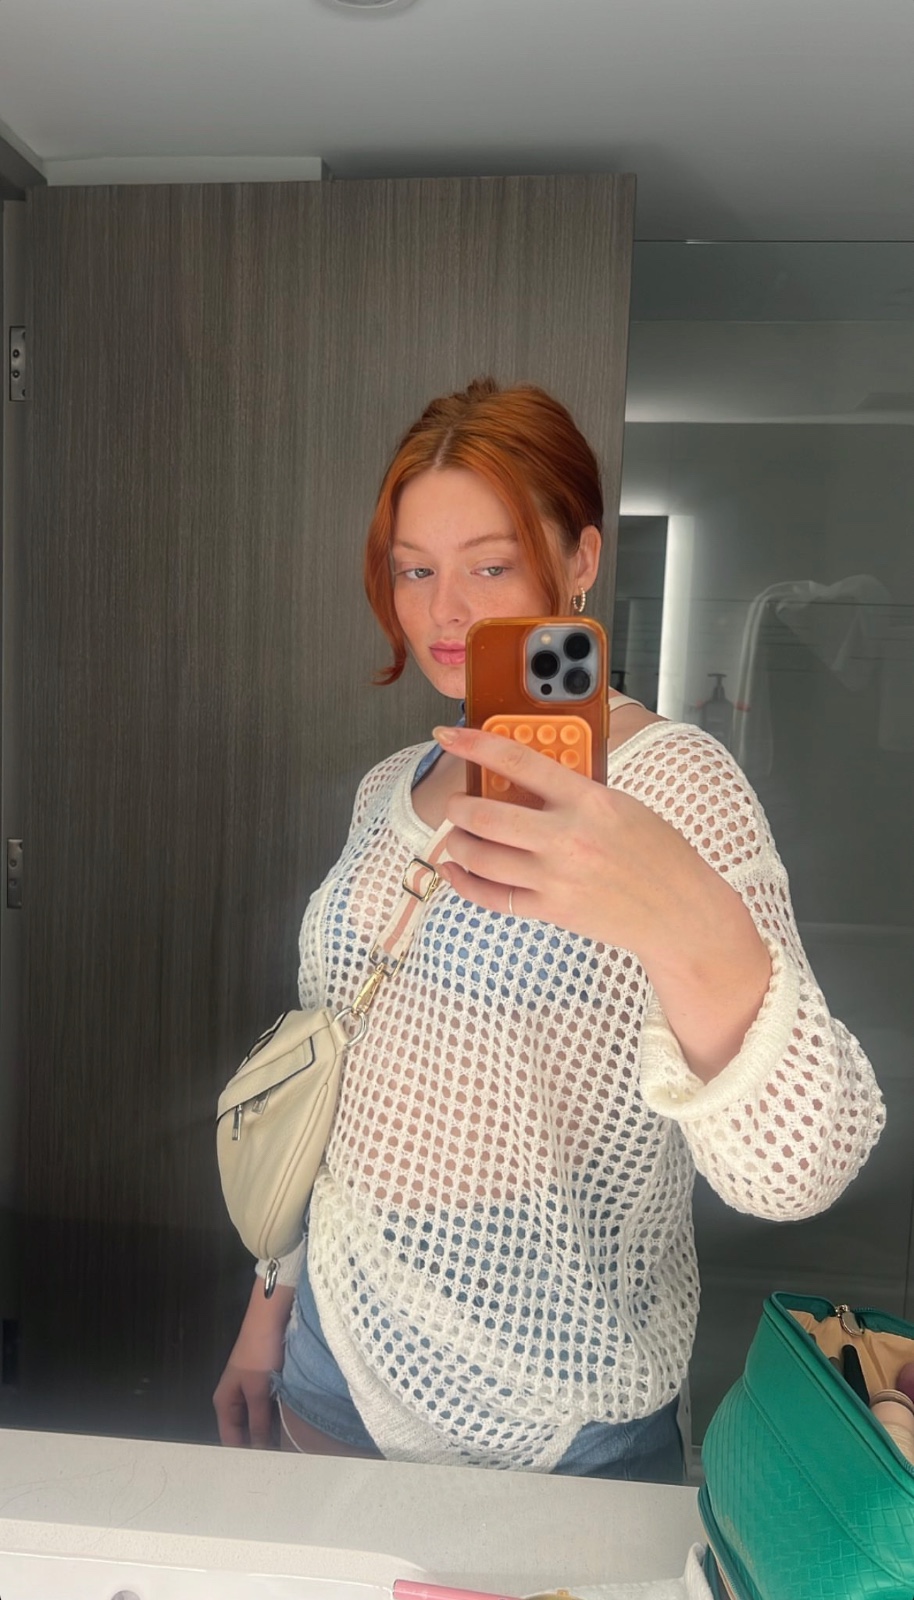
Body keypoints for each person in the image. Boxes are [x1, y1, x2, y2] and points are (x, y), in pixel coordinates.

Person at [213, 377, 884, 1480]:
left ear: (578, 560)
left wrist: (677, 909)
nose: (445, 611)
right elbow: (335, 1076)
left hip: (558, 1405)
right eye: (414, 570)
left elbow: (797, 1168)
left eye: (489, 565)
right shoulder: (393, 783)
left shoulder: (670, 784)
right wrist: (268, 1305)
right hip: (330, 1361)